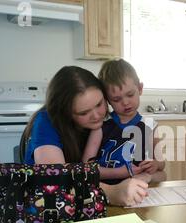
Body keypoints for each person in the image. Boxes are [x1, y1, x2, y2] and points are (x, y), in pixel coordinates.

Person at [21, 66, 149, 206]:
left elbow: (158, 173)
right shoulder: (45, 122)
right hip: (48, 209)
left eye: (99, 104)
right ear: (66, 114)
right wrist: (111, 192)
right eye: (83, 113)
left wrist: (146, 174)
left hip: (87, 206)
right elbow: (57, 181)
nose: (97, 115)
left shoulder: (105, 124)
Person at [83, 58, 166, 185]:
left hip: (138, 187)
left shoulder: (150, 126)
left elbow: (161, 164)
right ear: (108, 100)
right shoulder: (101, 125)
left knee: (162, 176)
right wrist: (121, 172)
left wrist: (155, 164)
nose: (125, 102)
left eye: (130, 94)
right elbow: (86, 168)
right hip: (108, 188)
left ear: (140, 88)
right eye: (116, 99)